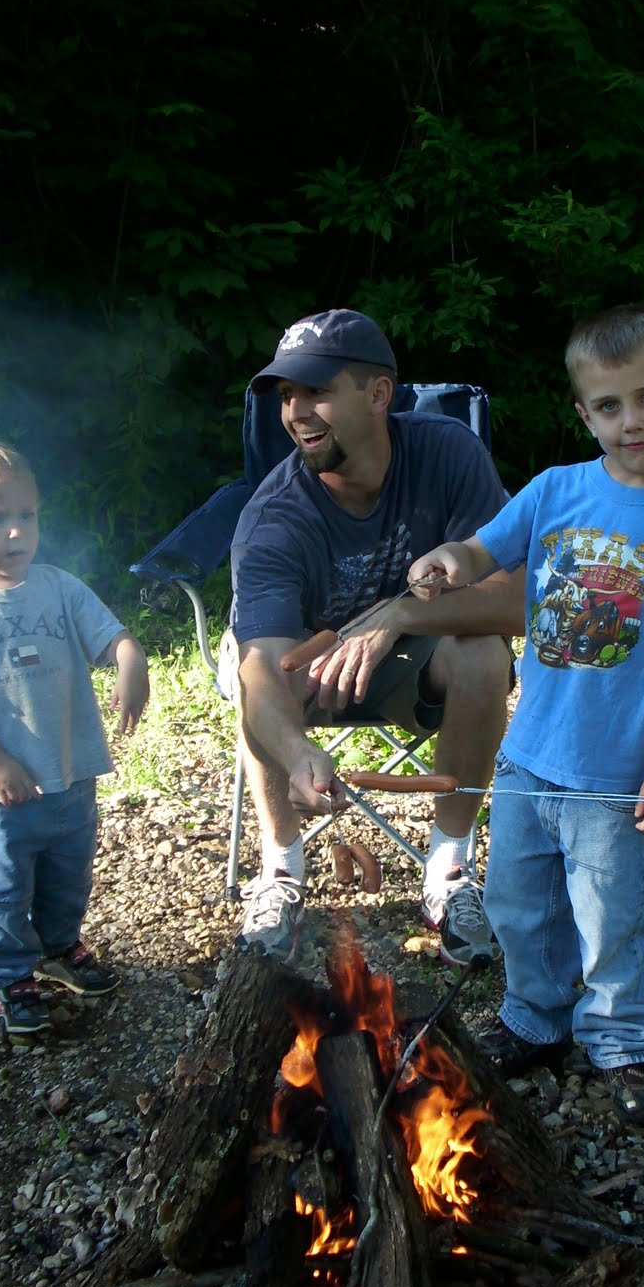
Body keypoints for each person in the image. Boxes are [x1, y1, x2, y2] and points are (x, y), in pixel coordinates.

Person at [409, 304, 644, 1124]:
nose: (632, 421)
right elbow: (482, 551)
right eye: (609, 405)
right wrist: (450, 559)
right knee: (517, 903)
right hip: (530, 754)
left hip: (620, 770)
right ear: (583, 413)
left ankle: (622, 1039)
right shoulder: (554, 492)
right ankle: (535, 1016)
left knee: (612, 916)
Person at [227, 308, 522, 966]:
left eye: (317, 391)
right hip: (308, 661)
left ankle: (449, 872)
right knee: (256, 676)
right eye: (287, 395)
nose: (296, 412)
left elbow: (521, 600)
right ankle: (281, 869)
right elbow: (262, 670)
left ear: (378, 394)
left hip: (410, 654)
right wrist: (297, 753)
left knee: (482, 655)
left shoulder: (447, 454)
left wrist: (399, 616)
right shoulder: (274, 519)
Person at [0, 438, 149, 1037]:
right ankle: (5, 974)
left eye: (27, 515)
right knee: (3, 888)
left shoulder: (59, 587)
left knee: (69, 875)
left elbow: (115, 638)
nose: (16, 532)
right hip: (0, 792)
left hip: (71, 771)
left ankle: (60, 946)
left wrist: (132, 661)